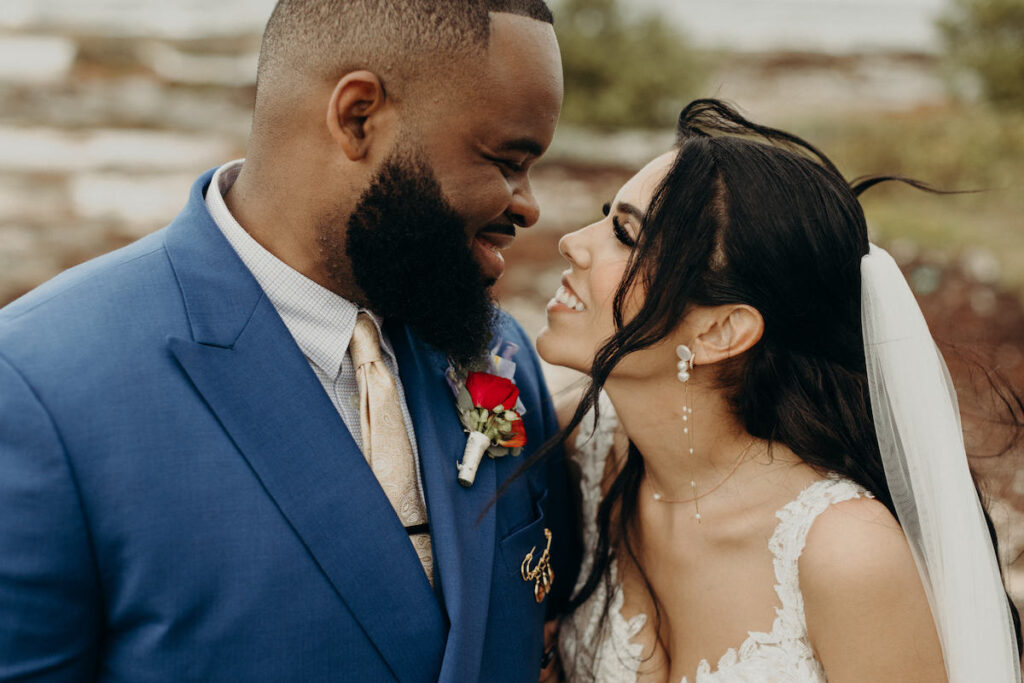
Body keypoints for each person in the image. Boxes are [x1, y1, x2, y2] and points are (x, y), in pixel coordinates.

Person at [0, 1, 579, 681]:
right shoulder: (40, 386)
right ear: (358, 116)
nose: (528, 205)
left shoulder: (499, 356)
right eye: (508, 160)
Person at [536, 100, 1022, 682]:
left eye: (625, 234)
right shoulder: (587, 455)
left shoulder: (844, 554)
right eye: (604, 216)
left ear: (721, 330)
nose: (571, 242)